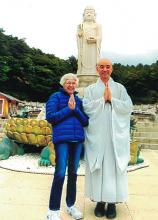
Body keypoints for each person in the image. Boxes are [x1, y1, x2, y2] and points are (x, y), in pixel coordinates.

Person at [83, 58, 133, 219]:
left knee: (112, 169)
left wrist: (112, 100)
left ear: (111, 69)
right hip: (97, 137)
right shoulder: (90, 89)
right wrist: (102, 100)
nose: (104, 69)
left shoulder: (119, 88)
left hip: (114, 138)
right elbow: (86, 107)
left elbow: (128, 107)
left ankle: (112, 204)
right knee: (99, 168)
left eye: (107, 67)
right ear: (97, 69)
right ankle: (99, 201)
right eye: (101, 67)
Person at [46, 73, 88, 220]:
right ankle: (53, 210)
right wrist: (68, 109)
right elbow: (51, 117)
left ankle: (71, 205)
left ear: (76, 85)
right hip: (62, 140)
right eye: (68, 83)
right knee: (60, 173)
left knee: (73, 175)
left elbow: (85, 121)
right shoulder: (55, 97)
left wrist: (75, 109)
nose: (71, 85)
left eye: (73, 83)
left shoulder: (78, 100)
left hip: (77, 141)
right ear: (63, 84)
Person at [77, 6, 102, 75]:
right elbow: (78, 36)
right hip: (84, 47)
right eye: (87, 12)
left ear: (95, 15)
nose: (89, 14)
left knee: (93, 60)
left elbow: (100, 37)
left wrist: (95, 39)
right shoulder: (81, 25)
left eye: (91, 12)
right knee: (83, 59)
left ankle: (95, 72)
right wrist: (80, 33)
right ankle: (82, 72)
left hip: (93, 48)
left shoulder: (98, 25)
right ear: (83, 15)